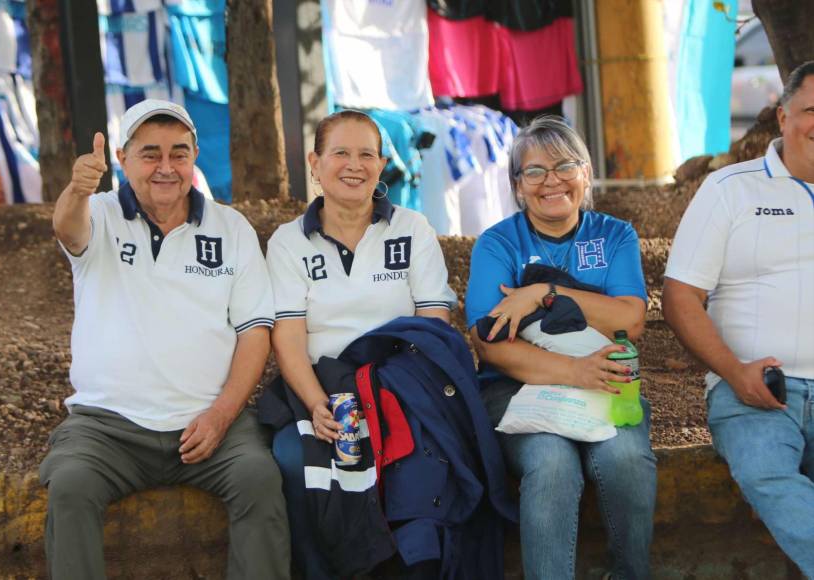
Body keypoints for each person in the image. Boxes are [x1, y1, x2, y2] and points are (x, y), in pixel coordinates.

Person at [41, 99, 289, 579]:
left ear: (195, 154)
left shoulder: (231, 227)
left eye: (179, 153)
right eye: (150, 153)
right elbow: (67, 228)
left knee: (259, 479)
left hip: (210, 425)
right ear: (123, 157)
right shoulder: (101, 213)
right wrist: (75, 189)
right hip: (107, 428)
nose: (166, 167)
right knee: (70, 486)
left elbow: (256, 329)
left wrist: (221, 415)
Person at [264, 109, 457, 579]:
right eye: (341, 153)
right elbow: (287, 335)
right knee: (294, 459)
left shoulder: (412, 230)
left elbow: (433, 323)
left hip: (401, 386)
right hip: (320, 390)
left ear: (381, 162)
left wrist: (401, 394)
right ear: (315, 162)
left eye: (367, 154)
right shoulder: (289, 242)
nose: (355, 165)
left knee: (418, 458)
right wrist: (315, 404)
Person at [465, 116, 656, 579]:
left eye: (565, 166)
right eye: (534, 171)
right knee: (551, 464)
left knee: (626, 459)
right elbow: (490, 344)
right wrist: (575, 371)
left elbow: (630, 320)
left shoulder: (615, 236)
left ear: (586, 174)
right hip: (516, 386)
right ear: (517, 185)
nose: (551, 181)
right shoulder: (498, 244)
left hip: (609, 383)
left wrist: (545, 294)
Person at [663, 61, 814, 576]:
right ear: (782, 117)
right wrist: (733, 372)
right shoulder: (732, 189)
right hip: (754, 387)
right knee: (765, 471)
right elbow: (680, 295)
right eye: (812, 110)